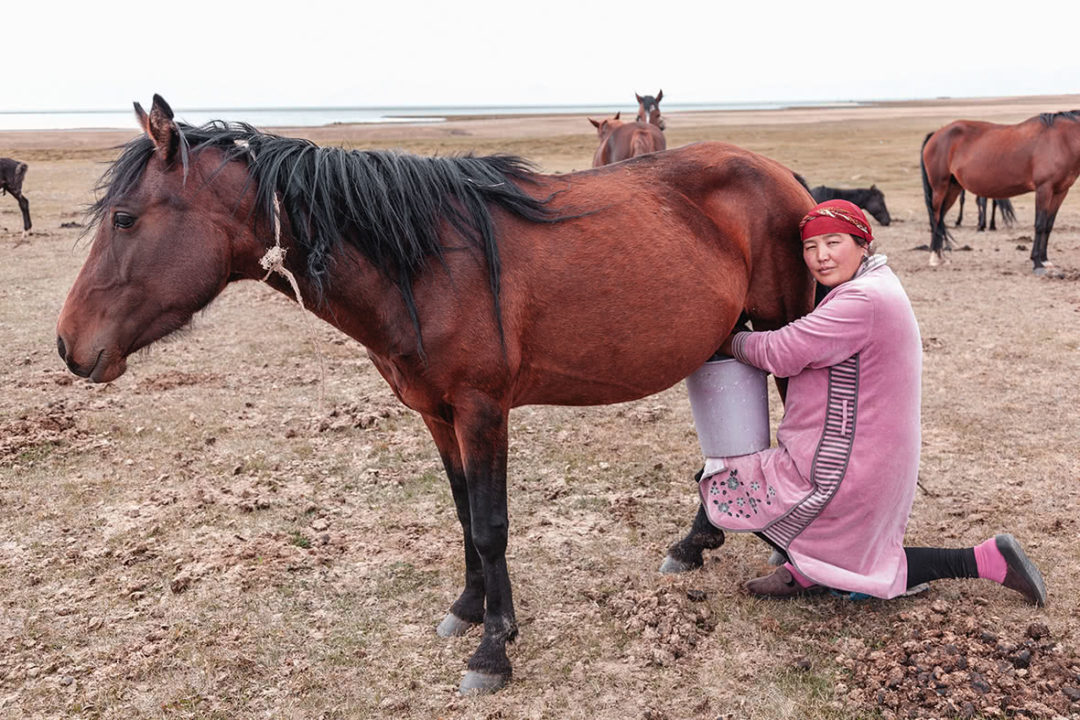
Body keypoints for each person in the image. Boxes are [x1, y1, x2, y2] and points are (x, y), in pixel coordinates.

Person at [699, 198, 1046, 606]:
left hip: (848, 465)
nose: (821, 257)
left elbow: (781, 352)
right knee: (849, 553)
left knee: (726, 484)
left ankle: (986, 559)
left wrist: (726, 338)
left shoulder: (861, 300)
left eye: (833, 242)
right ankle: (808, 570)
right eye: (810, 248)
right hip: (862, 453)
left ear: (863, 242)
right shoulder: (874, 283)